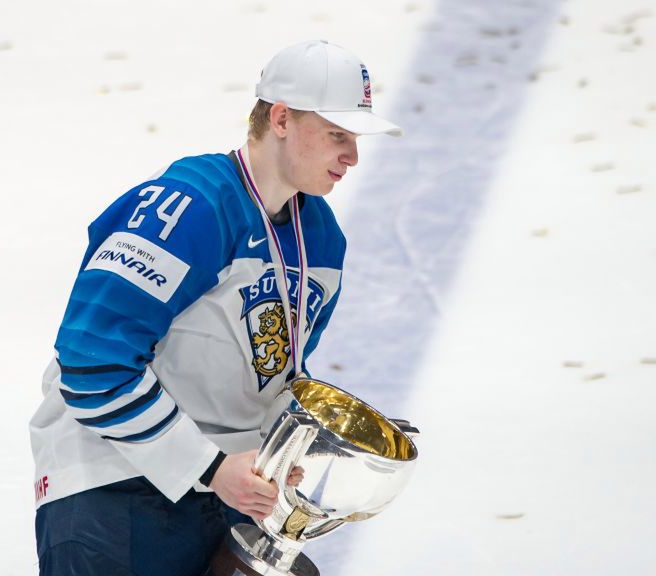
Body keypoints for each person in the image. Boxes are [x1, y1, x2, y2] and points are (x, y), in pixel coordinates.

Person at [29, 39, 402, 576]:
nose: (352, 156)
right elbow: (91, 366)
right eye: (336, 134)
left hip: (220, 493)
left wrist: (290, 447)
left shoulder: (320, 239)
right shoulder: (189, 208)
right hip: (111, 485)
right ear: (280, 119)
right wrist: (207, 465)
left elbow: (271, 378)